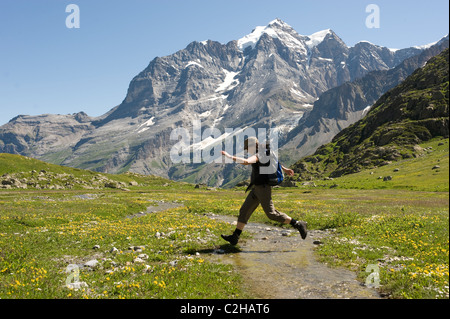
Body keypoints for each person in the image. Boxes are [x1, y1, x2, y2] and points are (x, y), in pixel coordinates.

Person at [220, 137, 307, 245]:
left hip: (263, 188)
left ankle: (298, 224)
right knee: (244, 210)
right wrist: (285, 169)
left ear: (253, 146)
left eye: (247, 148)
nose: (247, 150)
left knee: (271, 214)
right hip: (256, 188)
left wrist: (229, 156)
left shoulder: (259, 154)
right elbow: (276, 162)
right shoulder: (264, 153)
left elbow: (246, 162)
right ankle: (235, 237)